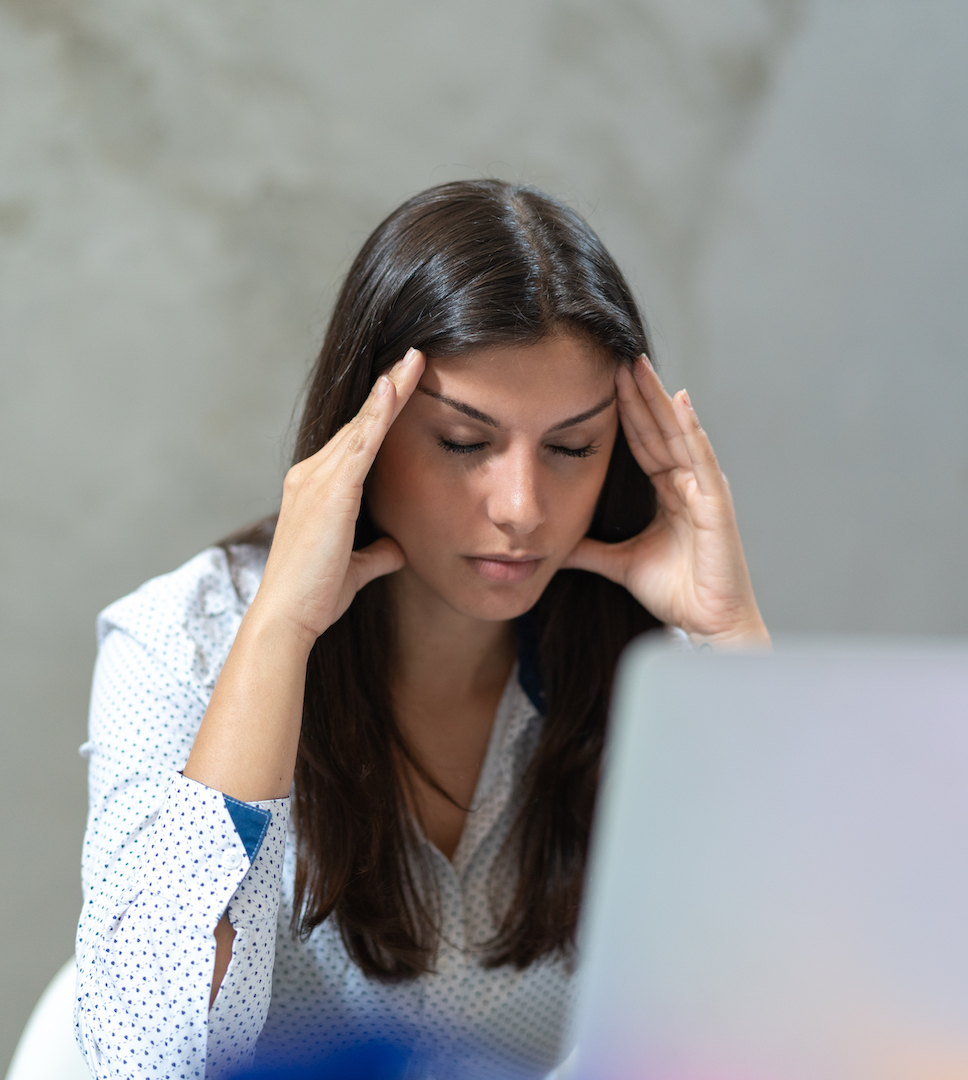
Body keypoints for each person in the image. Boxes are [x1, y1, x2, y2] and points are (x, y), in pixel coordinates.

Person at [74, 180, 769, 1080]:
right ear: (363, 431)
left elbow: (813, 1014)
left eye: (571, 449)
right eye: (462, 442)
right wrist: (281, 629)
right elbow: (145, 1066)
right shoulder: (180, 643)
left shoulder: (665, 672)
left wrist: (731, 637)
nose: (522, 508)